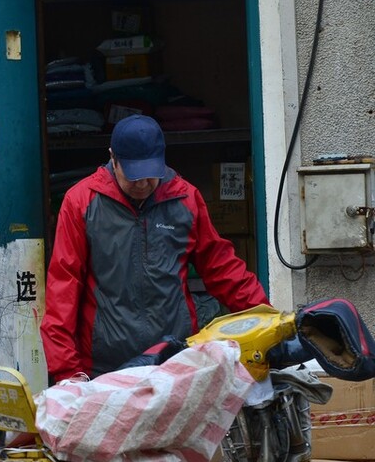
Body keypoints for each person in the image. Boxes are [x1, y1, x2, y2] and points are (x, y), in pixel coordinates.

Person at [41, 114, 269, 382]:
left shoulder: (185, 199)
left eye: (150, 175)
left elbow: (224, 270)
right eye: (133, 175)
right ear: (113, 158)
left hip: (177, 363)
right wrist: (68, 372)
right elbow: (63, 290)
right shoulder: (81, 202)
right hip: (105, 369)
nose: (142, 184)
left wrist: (267, 320)